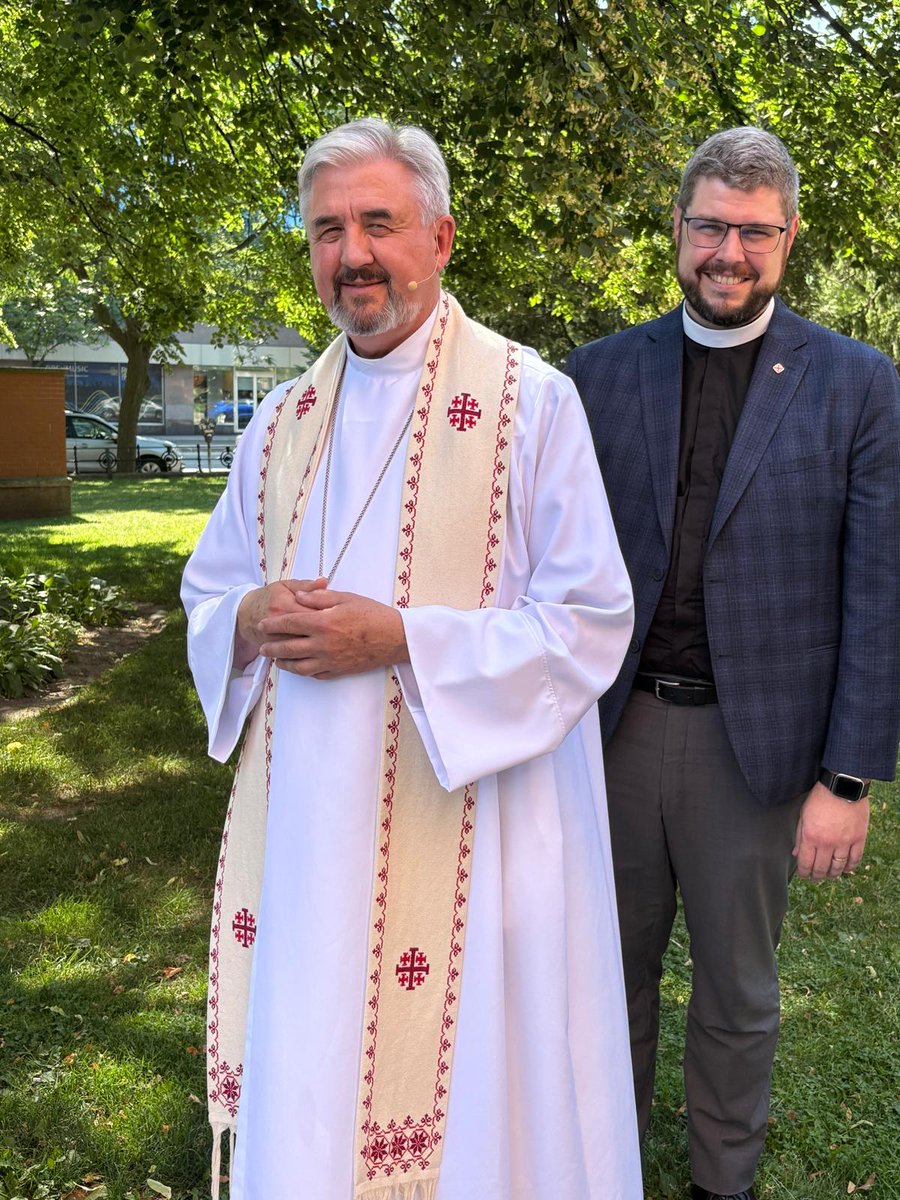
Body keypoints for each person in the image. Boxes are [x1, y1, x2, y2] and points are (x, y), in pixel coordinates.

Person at [182, 117, 642, 1200]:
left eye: (378, 223)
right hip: (306, 836)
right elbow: (212, 584)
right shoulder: (282, 421)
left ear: (439, 236)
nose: (352, 255)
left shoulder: (531, 400)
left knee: (475, 1098)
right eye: (327, 230)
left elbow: (589, 618)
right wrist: (248, 616)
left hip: (477, 823)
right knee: (318, 1063)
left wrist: (399, 640)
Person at [566, 126, 900, 1200]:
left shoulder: (858, 385)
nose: (729, 251)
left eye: (755, 232)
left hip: (752, 750)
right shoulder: (596, 377)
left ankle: (724, 1181)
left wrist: (846, 780)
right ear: (677, 229)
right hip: (605, 734)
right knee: (599, 980)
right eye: (710, 225)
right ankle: (599, 1166)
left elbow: (878, 589)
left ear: (789, 238)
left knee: (738, 993)